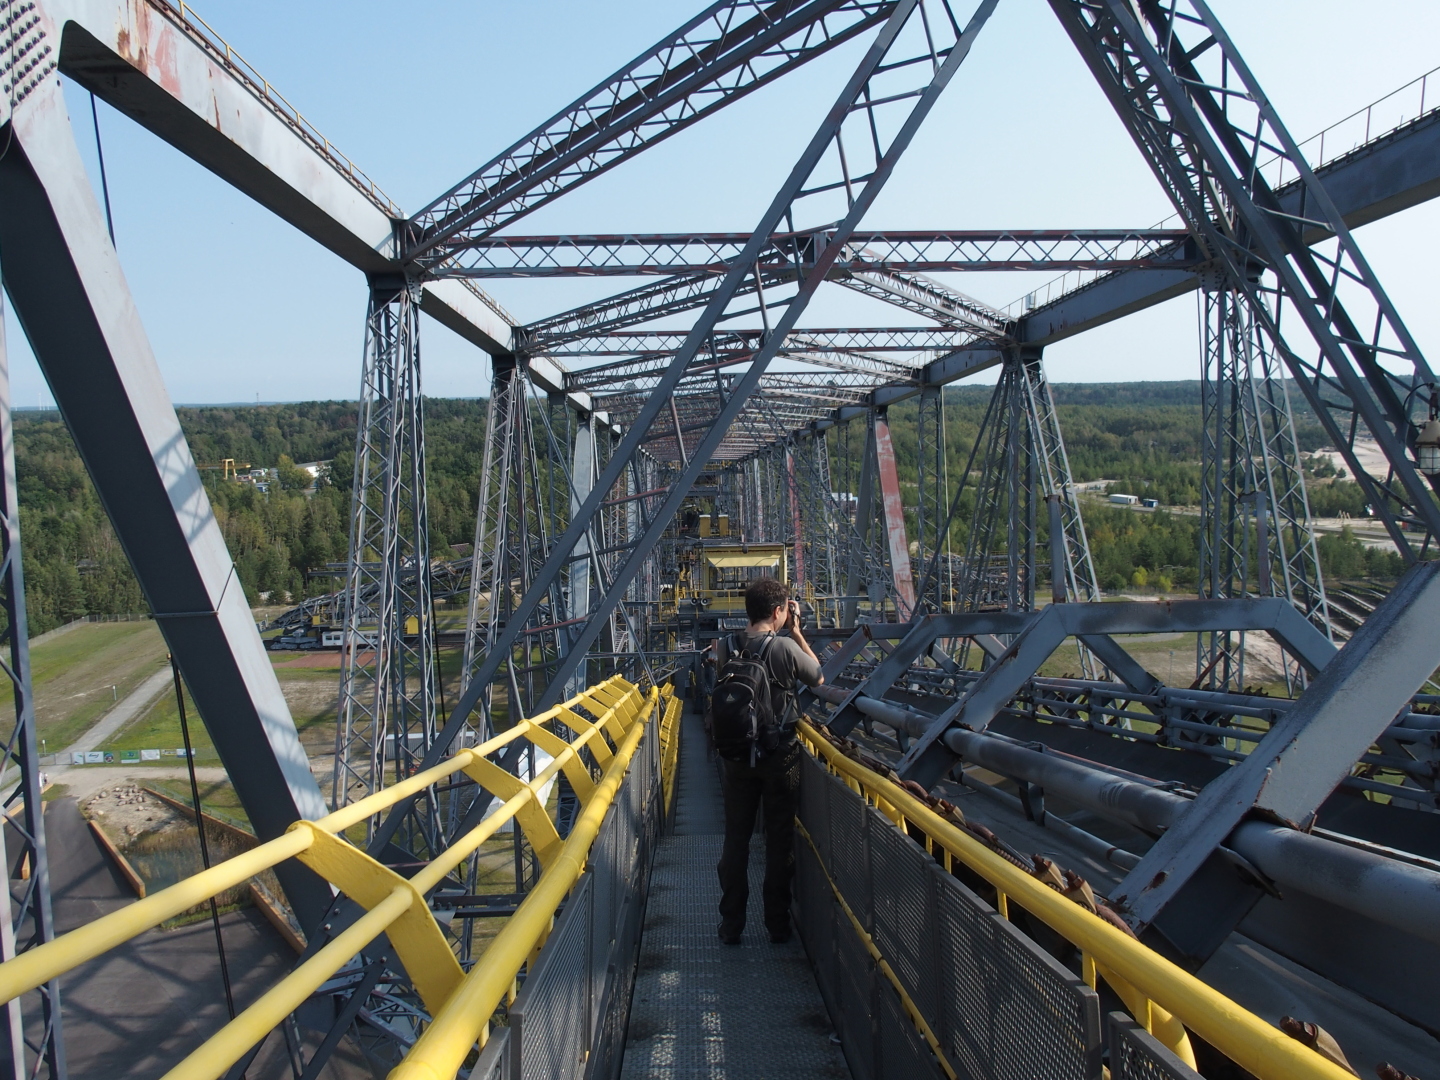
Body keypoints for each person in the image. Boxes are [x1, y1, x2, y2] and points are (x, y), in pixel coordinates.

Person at [716, 576, 823, 945]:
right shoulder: (784, 647)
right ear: (779, 611)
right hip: (781, 755)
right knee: (779, 842)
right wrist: (796, 632)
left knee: (736, 840)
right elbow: (818, 676)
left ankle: (731, 924)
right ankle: (777, 925)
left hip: (736, 756)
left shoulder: (724, 645)